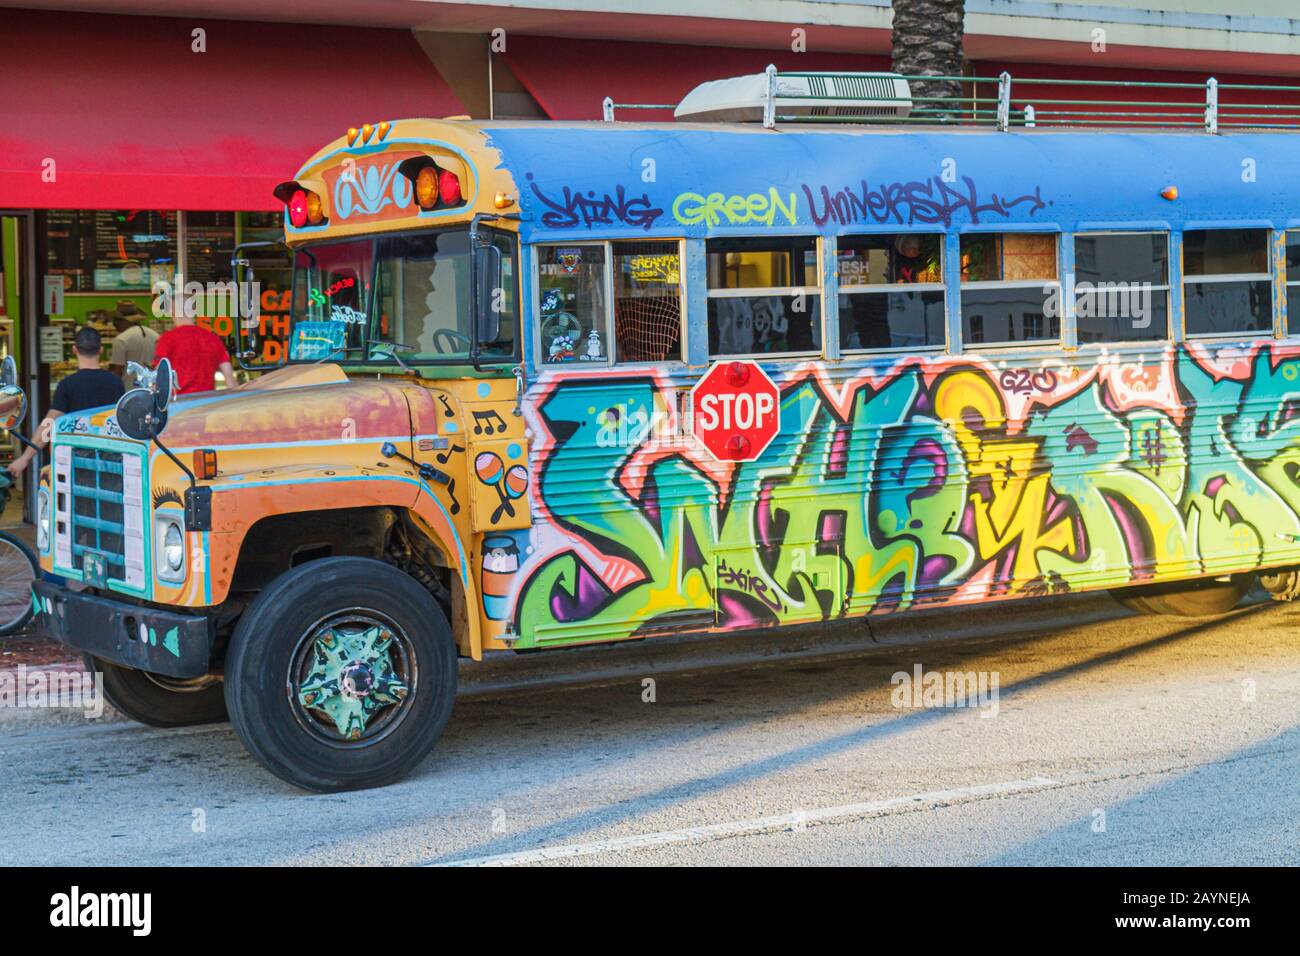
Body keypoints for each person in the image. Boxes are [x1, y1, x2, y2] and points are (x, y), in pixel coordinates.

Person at [8, 326, 124, 478]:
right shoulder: (116, 382)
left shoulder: (67, 384)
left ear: (75, 350)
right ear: (101, 350)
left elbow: (49, 424)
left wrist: (25, 458)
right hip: (111, 463)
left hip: (77, 463)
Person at [153, 312, 236, 396]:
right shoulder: (213, 339)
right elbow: (231, 381)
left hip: (177, 403)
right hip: (207, 401)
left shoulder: (167, 339)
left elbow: (158, 378)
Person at [108, 298, 160, 389]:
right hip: (152, 390)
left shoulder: (121, 340)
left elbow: (116, 373)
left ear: (122, 320)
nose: (114, 324)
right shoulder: (155, 335)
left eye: (116, 320)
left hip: (129, 392)